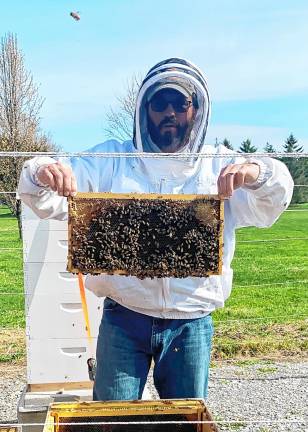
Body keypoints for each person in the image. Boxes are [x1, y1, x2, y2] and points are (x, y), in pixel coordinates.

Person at [18, 58, 294, 401]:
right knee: (111, 422)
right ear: (144, 110)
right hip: (124, 316)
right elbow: (41, 191)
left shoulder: (218, 164)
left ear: (195, 111)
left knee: (184, 421)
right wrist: (44, 171)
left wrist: (255, 171)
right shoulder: (112, 162)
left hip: (190, 323)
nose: (170, 112)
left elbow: (277, 193)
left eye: (180, 103)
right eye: (160, 103)